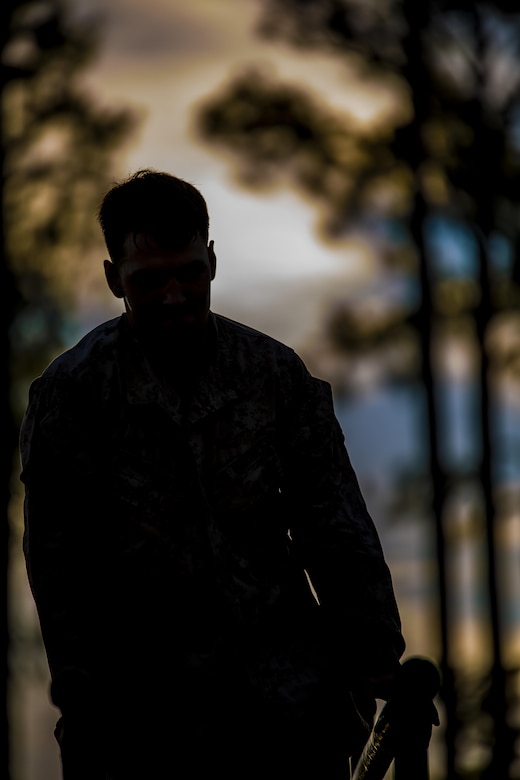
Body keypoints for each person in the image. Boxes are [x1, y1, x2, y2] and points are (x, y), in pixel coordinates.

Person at [20, 168, 406, 779]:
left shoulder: (276, 377)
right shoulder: (73, 395)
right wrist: (80, 693)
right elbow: (60, 559)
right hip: (140, 723)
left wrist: (374, 648)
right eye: (149, 280)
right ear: (113, 278)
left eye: (189, 272)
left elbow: (332, 520)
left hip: (288, 714)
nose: (174, 295)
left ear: (214, 263)